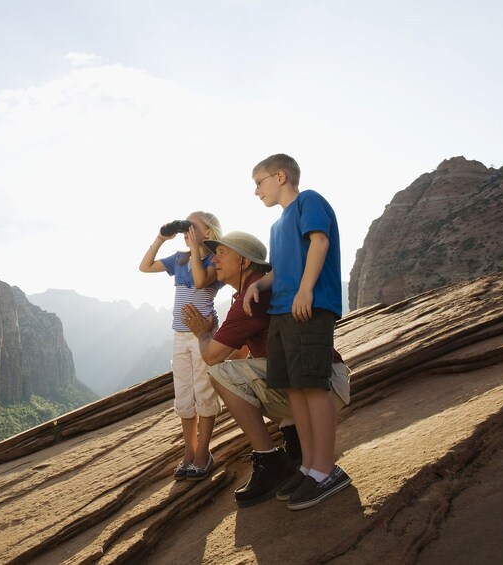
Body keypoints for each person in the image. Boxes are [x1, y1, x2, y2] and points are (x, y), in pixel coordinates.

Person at [182, 230, 350, 508]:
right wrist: (215, 337)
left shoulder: (254, 294)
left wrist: (203, 335)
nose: (214, 259)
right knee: (244, 370)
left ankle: (270, 460)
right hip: (326, 379)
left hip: (320, 385)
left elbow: (213, 358)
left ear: (245, 262)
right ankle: (296, 440)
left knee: (220, 374)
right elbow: (242, 353)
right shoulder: (254, 290)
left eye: (222, 253)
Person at [242, 153, 350, 510]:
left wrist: (306, 290)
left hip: (308, 307)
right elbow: (281, 269)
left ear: (280, 175)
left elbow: (319, 242)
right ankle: (308, 466)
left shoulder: (309, 201)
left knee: (312, 386)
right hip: (281, 312)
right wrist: (259, 285)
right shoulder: (277, 226)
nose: (256, 191)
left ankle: (326, 469)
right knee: (294, 389)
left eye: (259, 182)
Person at [140, 211, 225, 481]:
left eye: (193, 225)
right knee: (184, 395)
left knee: (204, 392)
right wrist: (160, 239)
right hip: (179, 336)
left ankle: (203, 453)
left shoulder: (216, 260)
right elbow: (145, 266)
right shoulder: (180, 259)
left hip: (202, 336)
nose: (187, 229)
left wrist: (194, 249)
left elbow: (200, 282)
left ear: (208, 233)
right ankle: (188, 453)